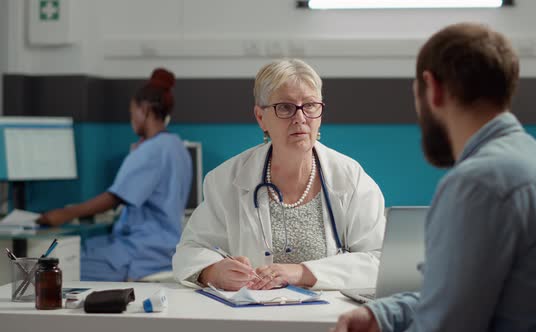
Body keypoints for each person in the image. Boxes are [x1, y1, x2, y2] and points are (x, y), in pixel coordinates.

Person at [335, 23, 536, 332]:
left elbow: (446, 325)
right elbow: (463, 295)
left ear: (433, 89)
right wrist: (385, 314)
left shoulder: (478, 183)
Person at [173, 58, 386, 291]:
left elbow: (380, 259)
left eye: (310, 105)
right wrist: (212, 271)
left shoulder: (350, 178)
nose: (301, 118)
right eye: (285, 107)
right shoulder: (226, 180)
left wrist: (301, 272)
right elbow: (188, 251)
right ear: (261, 117)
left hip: (326, 319)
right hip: (253, 319)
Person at [38, 68, 193, 282]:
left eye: (132, 114)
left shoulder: (151, 150)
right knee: (90, 247)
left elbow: (114, 198)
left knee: (58, 267)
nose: (132, 121)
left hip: (141, 254)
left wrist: (64, 214)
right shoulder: (177, 146)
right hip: (165, 249)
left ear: (145, 110)